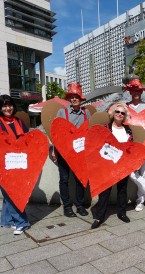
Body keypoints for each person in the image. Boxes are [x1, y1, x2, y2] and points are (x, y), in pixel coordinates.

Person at [0, 95, 30, 235]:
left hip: (17, 163)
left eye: (10, 105)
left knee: (9, 193)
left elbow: (27, 141)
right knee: (11, 193)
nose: (7, 108)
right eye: (4, 105)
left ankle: (6, 220)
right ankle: (22, 222)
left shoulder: (19, 122)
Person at [91, 103, 133, 229]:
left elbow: (130, 147)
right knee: (104, 191)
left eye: (122, 113)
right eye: (117, 112)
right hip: (107, 164)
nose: (120, 114)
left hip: (122, 164)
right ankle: (99, 217)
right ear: (113, 114)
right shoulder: (106, 128)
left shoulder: (128, 130)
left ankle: (122, 213)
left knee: (122, 190)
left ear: (125, 116)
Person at [51, 83, 91, 218]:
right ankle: (67, 207)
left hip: (81, 153)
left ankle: (80, 206)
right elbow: (57, 133)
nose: (74, 99)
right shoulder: (62, 112)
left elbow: (90, 132)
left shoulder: (86, 112)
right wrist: (54, 150)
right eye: (72, 96)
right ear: (69, 98)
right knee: (64, 179)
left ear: (80, 98)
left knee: (81, 179)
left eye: (77, 96)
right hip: (65, 152)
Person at [124, 78, 145, 212]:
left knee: (144, 173)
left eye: (138, 90)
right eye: (133, 90)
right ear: (130, 92)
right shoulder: (125, 107)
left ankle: (140, 201)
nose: (136, 92)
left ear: (141, 92)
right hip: (130, 146)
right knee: (131, 173)